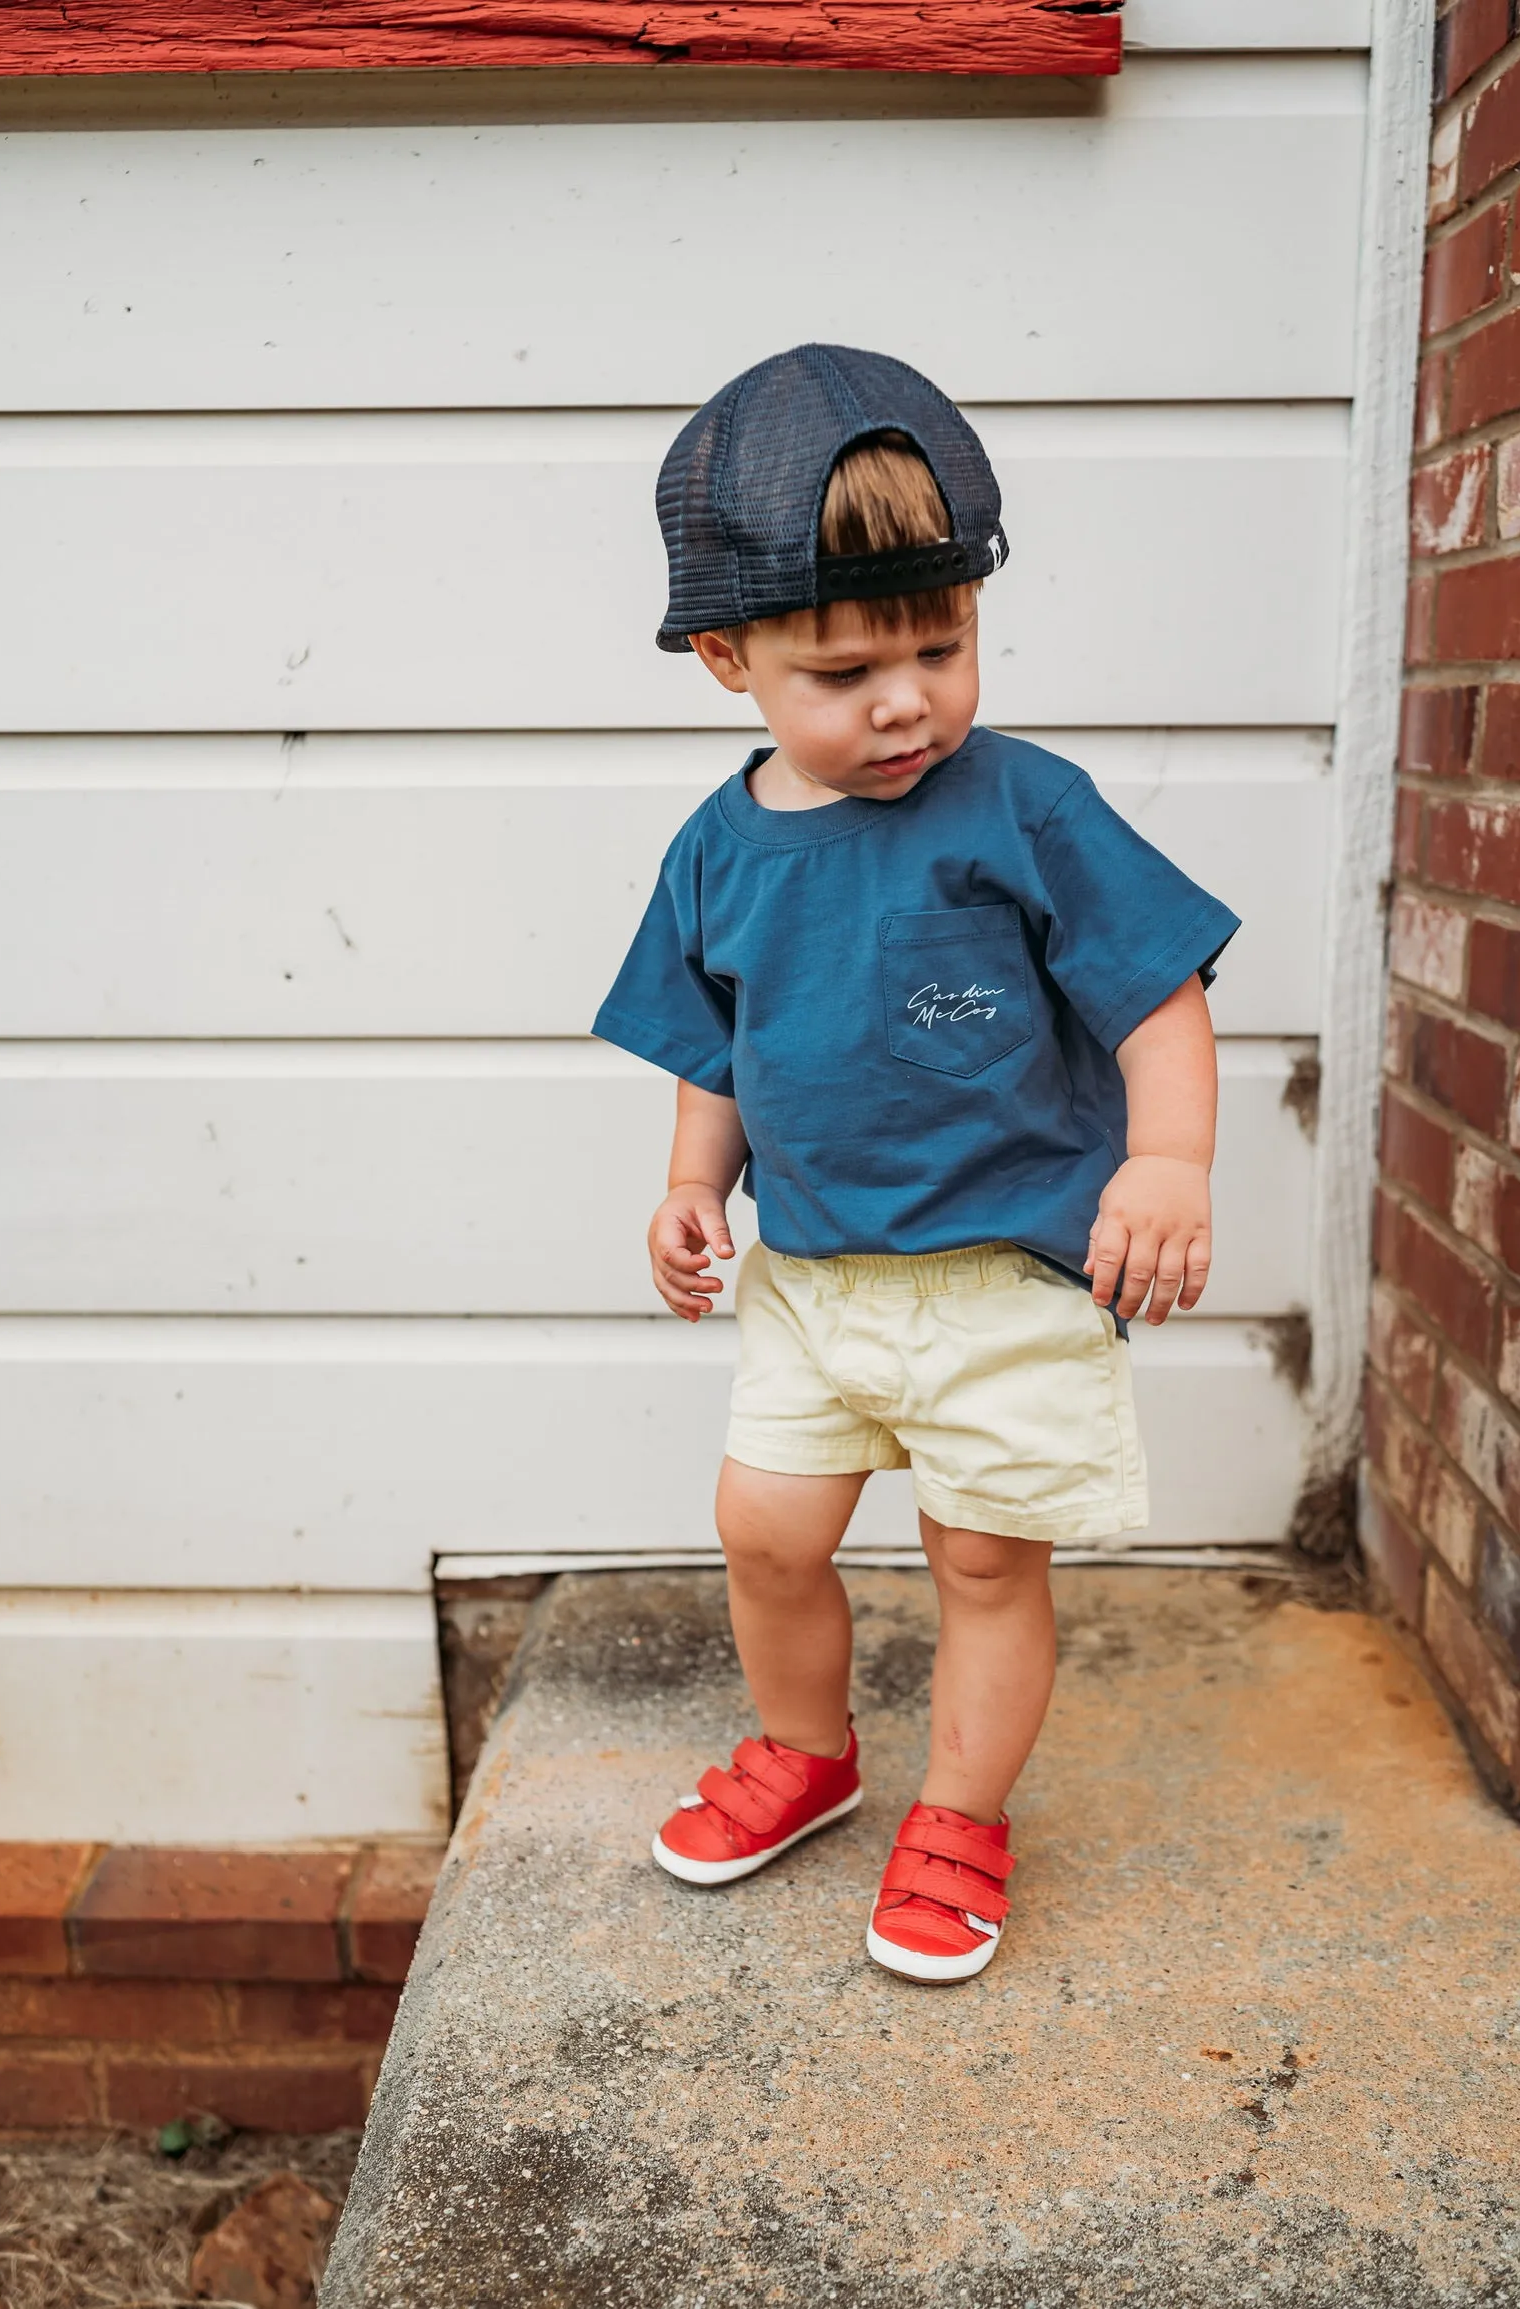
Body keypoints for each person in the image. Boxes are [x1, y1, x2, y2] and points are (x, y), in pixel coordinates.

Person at [592, 344, 1238, 1984]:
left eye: (942, 647)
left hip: (1005, 1281)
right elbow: (717, 1043)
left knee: (980, 1557)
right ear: (729, 660)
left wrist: (1166, 1161)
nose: (907, 701)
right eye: (848, 671)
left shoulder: (1023, 806)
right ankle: (809, 1751)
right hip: (812, 1281)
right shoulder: (718, 844)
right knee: (767, 1530)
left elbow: (1157, 987)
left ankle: (961, 1811)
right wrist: (691, 1183)